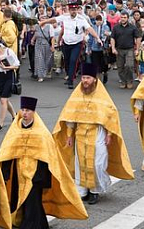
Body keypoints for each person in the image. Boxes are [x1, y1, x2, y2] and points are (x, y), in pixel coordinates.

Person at [0, 97, 88, 228]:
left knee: (33, 201)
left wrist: (40, 177)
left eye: (28, 110)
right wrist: (5, 172)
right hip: (19, 172)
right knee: (21, 200)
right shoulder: (15, 130)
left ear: (33, 112)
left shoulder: (41, 133)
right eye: (22, 110)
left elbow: (46, 156)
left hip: (35, 174)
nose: (24, 113)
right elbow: (7, 152)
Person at [53, 63, 134, 204]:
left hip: (97, 132)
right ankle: (83, 190)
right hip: (80, 133)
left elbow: (110, 115)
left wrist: (109, 134)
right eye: (83, 77)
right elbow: (70, 116)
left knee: (97, 163)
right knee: (81, 163)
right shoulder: (77, 94)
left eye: (88, 78)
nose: (85, 81)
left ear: (95, 79)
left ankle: (95, 190)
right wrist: (69, 135)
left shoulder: (102, 96)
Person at [39, 0, 102, 89]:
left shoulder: (81, 19)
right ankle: (69, 74)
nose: (74, 11)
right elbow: (54, 19)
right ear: (69, 10)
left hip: (77, 43)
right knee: (67, 61)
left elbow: (90, 28)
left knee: (73, 60)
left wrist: (97, 37)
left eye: (75, 9)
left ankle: (70, 81)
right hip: (66, 43)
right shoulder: (65, 17)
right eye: (72, 10)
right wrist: (44, 22)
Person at [110, 11, 141, 89]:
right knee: (120, 67)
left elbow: (138, 38)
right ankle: (123, 81)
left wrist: (137, 49)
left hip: (129, 49)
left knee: (129, 66)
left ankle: (130, 81)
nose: (123, 19)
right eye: (122, 17)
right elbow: (112, 38)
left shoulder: (132, 27)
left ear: (127, 18)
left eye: (125, 17)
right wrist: (113, 48)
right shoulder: (116, 27)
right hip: (119, 49)